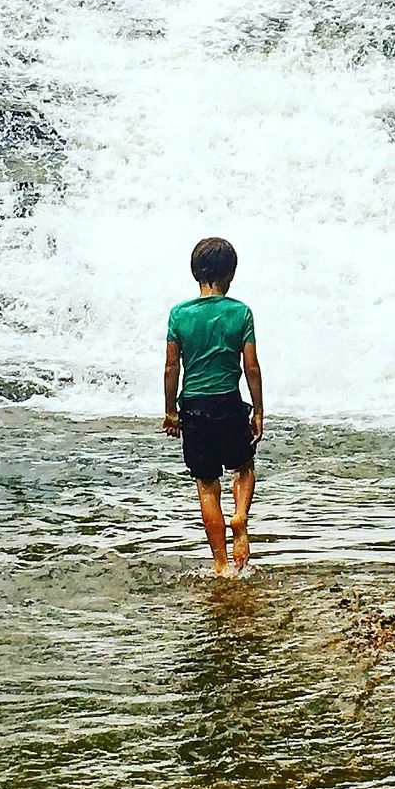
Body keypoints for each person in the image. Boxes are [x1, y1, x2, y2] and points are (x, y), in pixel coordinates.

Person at [163, 235, 263, 575]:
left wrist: (170, 411)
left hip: (194, 408)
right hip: (229, 404)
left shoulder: (179, 315)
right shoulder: (240, 313)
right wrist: (259, 410)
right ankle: (241, 518)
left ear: (195, 273)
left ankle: (221, 564)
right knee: (244, 468)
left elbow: (171, 367)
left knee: (207, 485)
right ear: (231, 274)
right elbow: (251, 366)